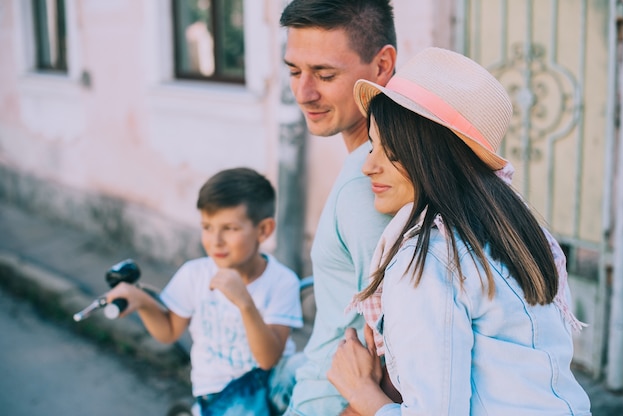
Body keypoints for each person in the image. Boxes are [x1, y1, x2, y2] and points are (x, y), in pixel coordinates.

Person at [327, 47, 592, 415]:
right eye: (373, 146)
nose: (368, 166)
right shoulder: (514, 228)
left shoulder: (427, 259)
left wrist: (360, 391)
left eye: (391, 151)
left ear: (433, 157)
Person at [105, 167, 303, 416]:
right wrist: (142, 302)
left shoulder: (282, 281)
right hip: (222, 392)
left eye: (229, 228)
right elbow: (168, 332)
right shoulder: (194, 274)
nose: (215, 240)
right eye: (207, 227)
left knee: (313, 369)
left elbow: (268, 360)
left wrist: (245, 303)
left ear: (263, 230)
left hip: (273, 378)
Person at [279, 0, 397, 414]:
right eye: (294, 71)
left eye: (325, 74)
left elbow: (400, 351)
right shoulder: (372, 164)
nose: (303, 92)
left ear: (382, 66)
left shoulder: (373, 184)